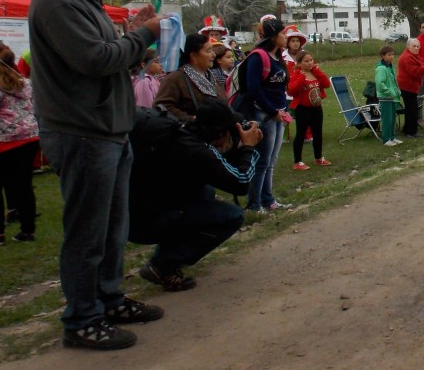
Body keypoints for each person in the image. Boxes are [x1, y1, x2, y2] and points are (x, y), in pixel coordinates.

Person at [18, 0, 164, 350]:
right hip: (81, 132)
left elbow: (109, 60)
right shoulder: (57, 1)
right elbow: (95, 60)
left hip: (109, 129)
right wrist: (144, 35)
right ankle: (82, 319)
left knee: (112, 228)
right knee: (87, 232)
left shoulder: (84, 1)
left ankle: (109, 300)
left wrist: (133, 37)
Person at [129, 102, 262, 291]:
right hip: (148, 222)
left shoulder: (183, 136)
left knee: (206, 191)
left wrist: (237, 150)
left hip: (138, 214)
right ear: (221, 133)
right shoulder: (197, 152)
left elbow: (219, 169)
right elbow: (240, 183)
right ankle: (162, 264)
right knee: (233, 216)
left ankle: (164, 262)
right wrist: (248, 148)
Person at [0, 40, 38, 246]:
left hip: (2, 143)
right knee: (23, 185)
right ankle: (27, 230)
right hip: (28, 139)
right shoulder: (24, 83)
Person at [240, 18, 291, 212]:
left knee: (271, 160)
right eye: (283, 33)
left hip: (279, 113)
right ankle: (255, 204)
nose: (286, 37)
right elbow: (254, 88)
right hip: (264, 114)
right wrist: (272, 111)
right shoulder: (258, 57)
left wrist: (282, 111)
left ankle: (268, 200)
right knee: (262, 161)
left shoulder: (278, 57)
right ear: (273, 36)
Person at [154, 33, 227, 123]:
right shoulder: (176, 78)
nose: (213, 54)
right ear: (193, 55)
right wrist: (191, 119)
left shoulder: (213, 78)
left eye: (212, 50)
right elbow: (161, 106)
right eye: (208, 51)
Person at [287, 49, 331, 169]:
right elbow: (291, 91)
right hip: (302, 109)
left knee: (318, 133)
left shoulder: (315, 72)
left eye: (311, 60)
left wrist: (318, 72)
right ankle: (297, 162)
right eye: (306, 61)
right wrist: (301, 78)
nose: (310, 63)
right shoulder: (297, 74)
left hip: (316, 108)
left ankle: (318, 158)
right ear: (299, 63)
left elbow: (326, 84)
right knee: (301, 134)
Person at [397, 37, 424, 139]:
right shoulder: (407, 57)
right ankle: (411, 131)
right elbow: (415, 72)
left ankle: (407, 129)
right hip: (407, 86)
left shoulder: (414, 56)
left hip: (411, 86)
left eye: (418, 46)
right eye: (414, 46)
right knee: (412, 109)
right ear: (408, 47)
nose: (416, 48)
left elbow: (421, 69)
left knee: (411, 108)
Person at [375, 45, 402, 146]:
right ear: (383, 56)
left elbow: (393, 81)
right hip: (386, 97)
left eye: (393, 54)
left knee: (392, 119)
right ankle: (386, 139)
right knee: (387, 119)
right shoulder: (381, 68)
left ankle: (392, 137)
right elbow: (380, 84)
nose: (391, 57)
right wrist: (389, 92)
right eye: (389, 55)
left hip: (393, 97)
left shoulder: (390, 67)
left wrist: (397, 91)